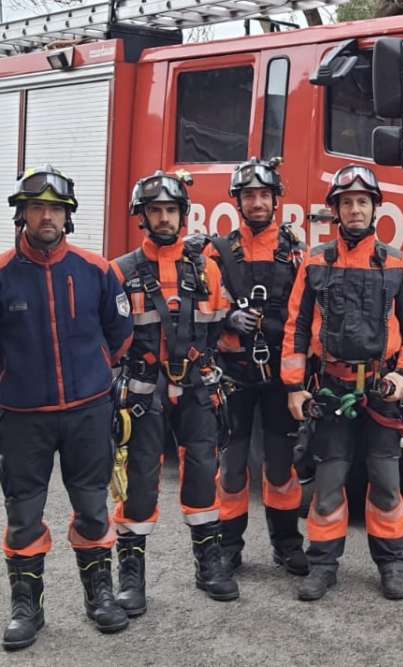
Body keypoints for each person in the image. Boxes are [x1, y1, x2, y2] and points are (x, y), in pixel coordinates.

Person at [1, 165, 134, 650]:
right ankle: (25, 608)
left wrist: (96, 370)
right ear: (22, 215)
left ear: (68, 217)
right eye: (37, 208)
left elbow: (119, 336)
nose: (47, 217)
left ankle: (99, 597)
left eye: (56, 209)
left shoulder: (98, 271)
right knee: (24, 515)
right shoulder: (1, 275)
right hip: (21, 418)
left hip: (87, 412)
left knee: (93, 509)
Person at [282, 164, 403, 601]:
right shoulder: (315, 262)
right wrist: (294, 386)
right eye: (347, 203)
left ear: (375, 208)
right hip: (331, 389)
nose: (355, 209)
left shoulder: (397, 263)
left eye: (363, 202)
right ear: (335, 211)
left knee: (385, 481)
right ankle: (323, 564)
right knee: (328, 483)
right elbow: (296, 325)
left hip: (383, 391)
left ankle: (391, 564)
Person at [110, 171, 237, 614]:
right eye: (155, 211)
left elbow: (219, 328)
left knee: (203, 472)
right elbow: (107, 339)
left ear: (182, 215)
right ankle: (131, 577)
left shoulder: (208, 269)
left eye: (171, 210)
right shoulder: (120, 272)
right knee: (140, 478)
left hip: (198, 387)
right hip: (143, 391)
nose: (164, 218)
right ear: (142, 216)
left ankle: (209, 566)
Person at [206, 157, 307, 576]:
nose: (258, 202)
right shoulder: (217, 252)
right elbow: (200, 306)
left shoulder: (295, 254)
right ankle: (229, 547)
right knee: (231, 468)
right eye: (250, 195)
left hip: (280, 378)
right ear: (238, 201)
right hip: (235, 375)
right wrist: (226, 317)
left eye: (264, 195)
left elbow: (307, 314)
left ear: (275, 200)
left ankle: (286, 544)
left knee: (281, 465)